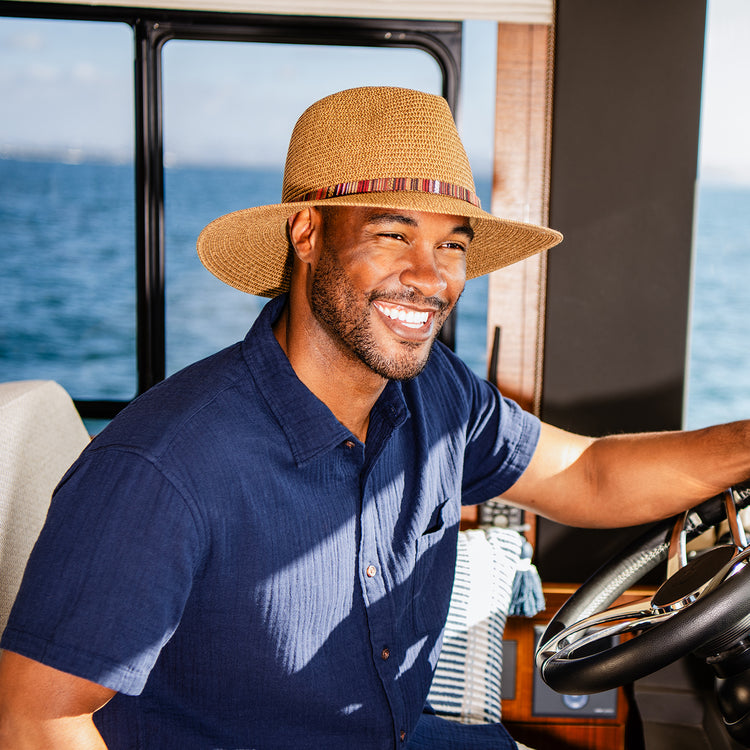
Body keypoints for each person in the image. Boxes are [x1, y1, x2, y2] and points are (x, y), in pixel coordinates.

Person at [0, 86, 748, 750]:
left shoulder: (436, 393)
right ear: (308, 235)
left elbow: (587, 473)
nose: (431, 277)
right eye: (393, 235)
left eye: (452, 244)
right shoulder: (164, 466)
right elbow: (38, 722)